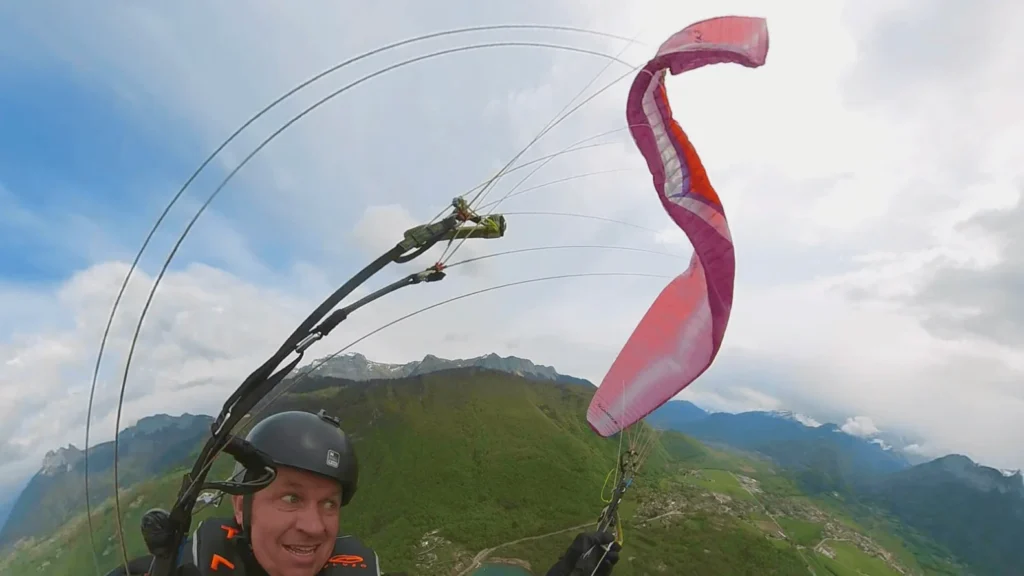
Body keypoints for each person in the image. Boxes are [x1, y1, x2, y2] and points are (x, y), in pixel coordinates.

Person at [106, 409, 620, 576]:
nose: (314, 524)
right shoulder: (178, 567)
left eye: (329, 503)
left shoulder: (351, 569)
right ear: (240, 504)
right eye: (290, 497)